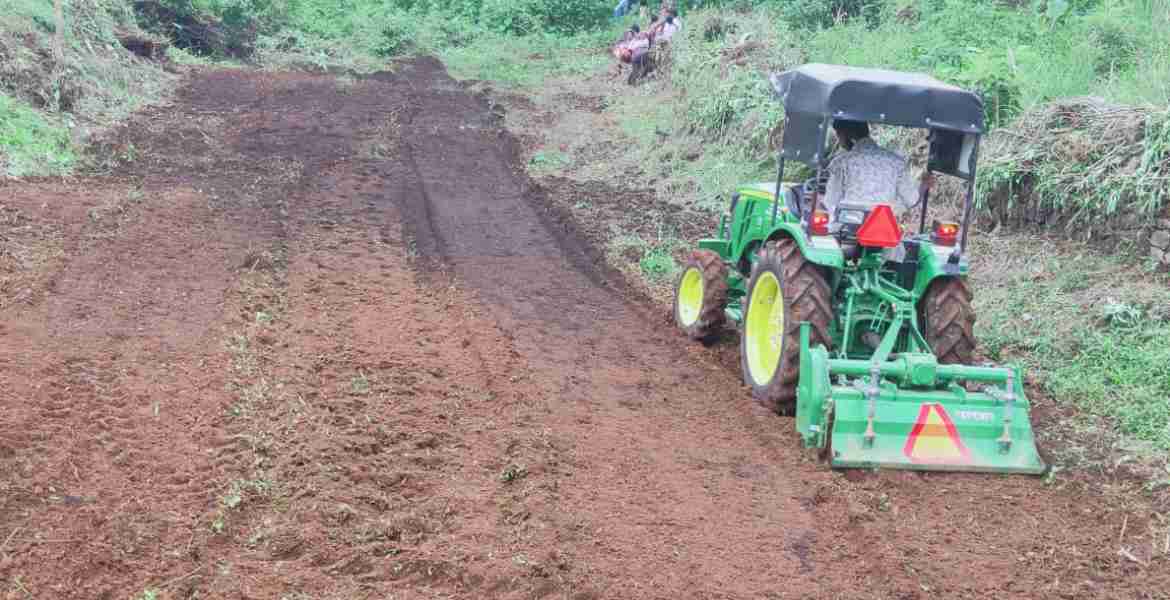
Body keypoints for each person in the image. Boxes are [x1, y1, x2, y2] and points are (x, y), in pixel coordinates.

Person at [821, 119, 934, 223]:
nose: (839, 142)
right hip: (883, 229)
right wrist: (923, 185)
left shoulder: (841, 162)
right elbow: (911, 200)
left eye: (839, 136)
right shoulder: (897, 162)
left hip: (848, 227)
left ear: (846, 135)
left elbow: (830, 202)